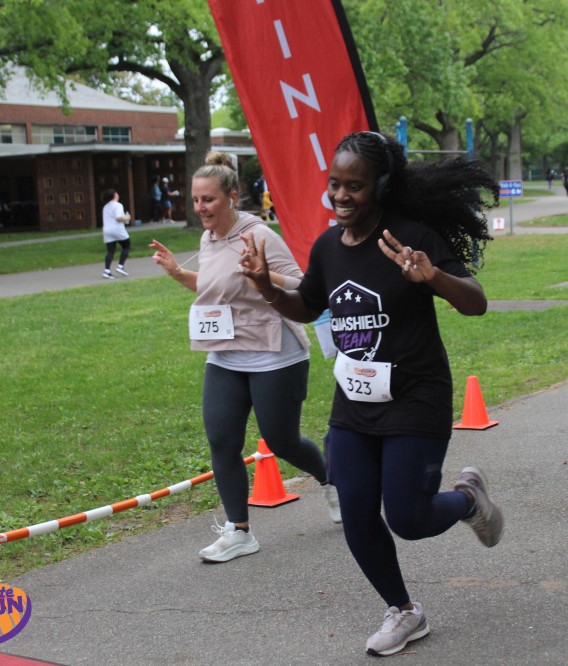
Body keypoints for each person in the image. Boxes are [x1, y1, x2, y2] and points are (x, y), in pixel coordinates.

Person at [238, 131, 504, 657]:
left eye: (354, 186)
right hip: (355, 402)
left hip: (416, 396)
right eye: (334, 183)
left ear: (381, 185)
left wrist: (433, 276)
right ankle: (404, 611)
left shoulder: (410, 238)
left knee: (408, 518)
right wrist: (267, 286)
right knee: (357, 511)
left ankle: (469, 500)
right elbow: (308, 304)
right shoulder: (327, 247)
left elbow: (475, 303)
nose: (340, 195)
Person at [148, 151, 339, 563]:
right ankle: (239, 532)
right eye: (196, 200)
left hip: (274, 353)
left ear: (231, 197)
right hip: (226, 353)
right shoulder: (208, 239)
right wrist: (177, 272)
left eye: (209, 200)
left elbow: (304, 287)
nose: (200, 208)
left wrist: (263, 275)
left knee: (282, 441)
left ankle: (331, 479)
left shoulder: (259, 235)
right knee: (221, 439)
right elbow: (215, 288)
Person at [101, 189, 131, 279]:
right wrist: (127, 217)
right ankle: (120, 266)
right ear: (115, 195)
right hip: (117, 229)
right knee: (126, 246)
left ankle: (107, 271)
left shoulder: (105, 207)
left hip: (107, 230)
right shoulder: (118, 205)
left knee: (110, 251)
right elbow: (118, 218)